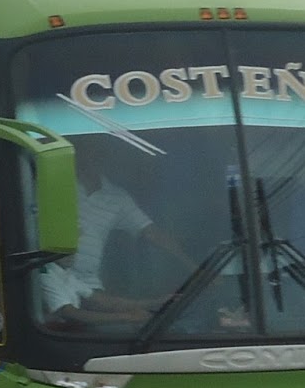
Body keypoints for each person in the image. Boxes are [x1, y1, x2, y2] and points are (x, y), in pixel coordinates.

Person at [39, 135, 193, 327]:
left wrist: (192, 268)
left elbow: (153, 234)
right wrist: (126, 316)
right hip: (54, 273)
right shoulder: (52, 184)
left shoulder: (118, 198)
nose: (92, 157)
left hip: (87, 282)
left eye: (98, 152)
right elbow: (70, 312)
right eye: (86, 150)